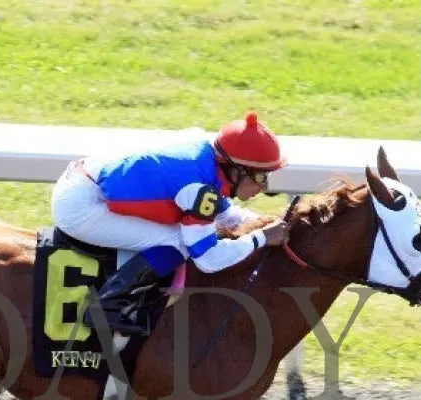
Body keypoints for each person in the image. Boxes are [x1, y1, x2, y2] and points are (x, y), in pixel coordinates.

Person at [51, 111, 291, 335]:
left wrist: (264, 222)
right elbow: (208, 259)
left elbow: (225, 214)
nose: (264, 187)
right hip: (80, 206)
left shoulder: (210, 159)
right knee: (179, 242)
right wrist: (262, 238)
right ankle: (108, 306)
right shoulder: (198, 189)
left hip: (85, 180)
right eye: (260, 177)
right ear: (236, 171)